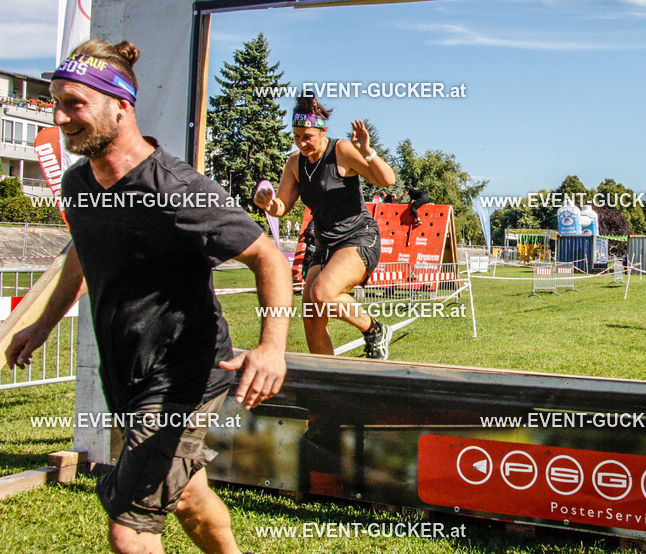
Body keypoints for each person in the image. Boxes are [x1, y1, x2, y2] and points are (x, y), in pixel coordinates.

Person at [5, 39, 293, 554]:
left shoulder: (176, 190)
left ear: (121, 105)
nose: (61, 117)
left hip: (184, 375)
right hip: (129, 375)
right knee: (185, 496)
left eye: (75, 103)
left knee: (130, 526)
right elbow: (82, 250)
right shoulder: (79, 183)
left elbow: (267, 256)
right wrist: (44, 322)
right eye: (56, 103)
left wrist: (272, 347)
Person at [255, 96, 396, 359]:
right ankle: (326, 377)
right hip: (324, 244)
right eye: (296, 136)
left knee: (323, 293)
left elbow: (387, 180)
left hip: (358, 237)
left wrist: (367, 150)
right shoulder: (294, 163)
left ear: (323, 131)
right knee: (311, 316)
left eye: (307, 136)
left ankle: (375, 330)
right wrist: (267, 203)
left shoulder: (341, 150)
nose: (302, 143)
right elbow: (281, 207)